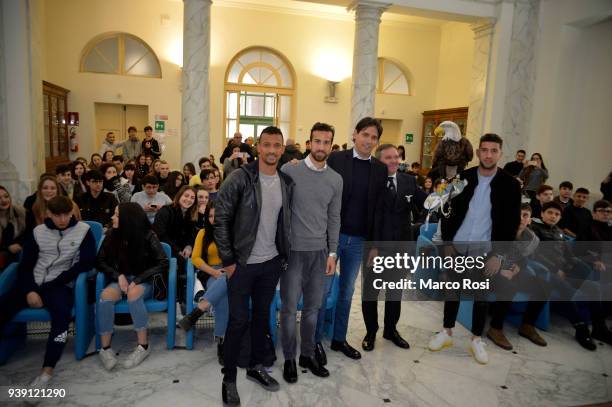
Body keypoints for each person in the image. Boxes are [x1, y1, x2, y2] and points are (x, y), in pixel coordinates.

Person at [215, 126, 294, 404]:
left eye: (277, 145)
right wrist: (229, 262)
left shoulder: (286, 182)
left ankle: (256, 368)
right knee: (238, 321)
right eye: (267, 145)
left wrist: (282, 257)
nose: (272, 150)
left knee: (262, 318)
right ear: (258, 148)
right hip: (242, 264)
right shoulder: (239, 178)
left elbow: (284, 223)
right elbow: (221, 220)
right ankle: (228, 379)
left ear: (282, 149)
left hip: (270, 263)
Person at [428, 133, 522, 365]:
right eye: (485, 150)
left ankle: (476, 339)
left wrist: (499, 255)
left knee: (481, 296)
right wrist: (448, 243)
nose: (488, 155)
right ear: (478, 152)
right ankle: (446, 332)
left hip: (485, 251)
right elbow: (447, 210)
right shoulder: (463, 177)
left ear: (500, 154)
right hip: (458, 247)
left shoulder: (510, 185)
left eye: (494, 150)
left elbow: (511, 224)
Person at [0, 196, 96, 387]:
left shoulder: (83, 231)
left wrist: (49, 286)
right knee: (3, 306)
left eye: (66, 215)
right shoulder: (38, 232)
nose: (62, 219)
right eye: (57, 215)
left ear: (72, 212)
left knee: (61, 319)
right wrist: (30, 290)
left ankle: (47, 371)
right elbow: (25, 266)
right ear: (49, 214)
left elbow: (85, 263)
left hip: (60, 285)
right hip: (32, 283)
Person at [314, 117, 387, 364]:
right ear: (355, 134)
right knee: (323, 291)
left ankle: (338, 338)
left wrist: (374, 245)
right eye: (365, 134)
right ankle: (314, 342)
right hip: (331, 239)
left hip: (358, 241)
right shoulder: (336, 159)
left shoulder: (379, 169)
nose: (369, 140)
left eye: (374, 137)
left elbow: (378, 210)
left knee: (346, 292)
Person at [279, 122, 342, 384]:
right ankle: (290, 359)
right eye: (317, 141)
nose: (321, 147)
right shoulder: (289, 170)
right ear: (309, 143)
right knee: (289, 308)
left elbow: (334, 218)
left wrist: (333, 253)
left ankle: (307, 355)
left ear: (331, 145)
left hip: (320, 254)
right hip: (293, 252)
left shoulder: (335, 180)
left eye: (326, 142)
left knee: (313, 309)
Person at [361, 144, 427, 352]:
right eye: (388, 158)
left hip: (401, 247)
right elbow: (369, 218)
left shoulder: (409, 180)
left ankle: (391, 330)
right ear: (379, 161)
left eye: (396, 157)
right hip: (376, 247)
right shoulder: (371, 183)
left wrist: (441, 197)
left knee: (395, 292)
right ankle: (371, 331)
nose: (394, 161)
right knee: (371, 292)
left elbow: (424, 203)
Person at [96, 203, 169, 371]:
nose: (112, 218)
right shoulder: (111, 235)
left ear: (128, 219)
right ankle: (105, 348)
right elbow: (99, 260)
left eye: (116, 215)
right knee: (105, 297)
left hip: (144, 281)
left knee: (133, 294)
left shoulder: (148, 235)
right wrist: (118, 276)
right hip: (121, 280)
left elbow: (163, 263)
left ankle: (143, 346)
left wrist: (137, 280)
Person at [530, 201, 597, 350]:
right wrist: (556, 270)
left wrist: (567, 269)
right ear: (542, 213)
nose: (553, 216)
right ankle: (580, 327)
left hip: (561, 272)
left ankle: (598, 327)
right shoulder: (534, 229)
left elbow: (569, 255)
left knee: (589, 279)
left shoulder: (559, 232)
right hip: (544, 271)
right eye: (550, 213)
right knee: (565, 288)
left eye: (557, 214)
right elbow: (536, 255)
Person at [486, 204, 549, 350]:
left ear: (530, 220)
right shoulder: (498, 231)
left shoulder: (531, 238)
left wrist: (518, 269)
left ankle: (528, 325)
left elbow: (523, 259)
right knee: (509, 287)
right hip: (489, 271)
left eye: (525, 215)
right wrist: (501, 270)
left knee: (543, 286)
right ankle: (495, 328)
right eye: (517, 214)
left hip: (511, 271)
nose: (521, 218)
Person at [178, 202, 228, 365]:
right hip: (210, 272)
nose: (214, 219)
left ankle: (198, 311)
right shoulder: (203, 233)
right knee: (222, 296)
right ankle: (222, 341)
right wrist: (214, 272)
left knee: (226, 282)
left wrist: (227, 270)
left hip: (231, 271)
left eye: (218, 215)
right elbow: (196, 258)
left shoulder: (232, 231)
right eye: (211, 216)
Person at [153, 186, 197, 286]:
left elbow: (191, 234)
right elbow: (161, 235)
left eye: (192, 198)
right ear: (179, 195)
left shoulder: (190, 213)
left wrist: (189, 246)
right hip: (167, 250)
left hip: (182, 250)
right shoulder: (166, 211)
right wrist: (177, 251)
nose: (188, 199)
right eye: (186, 196)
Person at [0, 186, 26, 270]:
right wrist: (8, 247)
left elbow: (30, 233)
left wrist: (19, 244)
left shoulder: (21, 212)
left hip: (19, 254)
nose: (4, 200)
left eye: (6, 196)